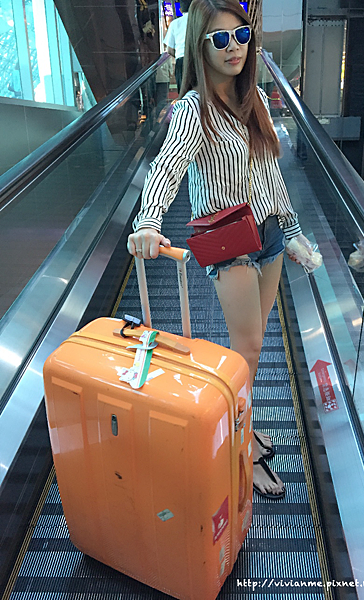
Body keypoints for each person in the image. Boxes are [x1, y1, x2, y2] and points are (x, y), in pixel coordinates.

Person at [128, 0, 318, 499]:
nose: (234, 47)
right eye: (220, 39)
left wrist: (293, 231)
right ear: (200, 46)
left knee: (252, 349)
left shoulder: (253, 100)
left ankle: (241, 423)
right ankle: (238, 446)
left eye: (241, 36)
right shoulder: (194, 110)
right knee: (247, 348)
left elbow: (271, 173)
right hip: (229, 240)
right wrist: (148, 221)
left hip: (269, 235)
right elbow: (167, 167)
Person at [163, 0, 192, 92]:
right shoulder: (201, 22)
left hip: (181, 61)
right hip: (198, 59)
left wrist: (179, 55)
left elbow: (169, 50)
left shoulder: (175, 23)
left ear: (180, 9)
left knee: (183, 91)